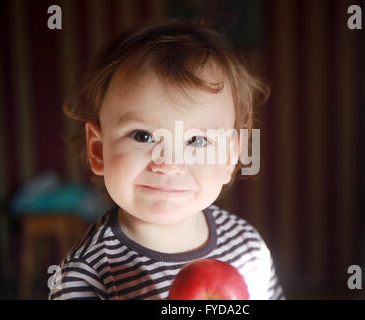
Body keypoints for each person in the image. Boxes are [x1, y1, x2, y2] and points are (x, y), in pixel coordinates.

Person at [49, 19, 284, 300]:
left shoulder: (247, 246)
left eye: (197, 140)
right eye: (143, 136)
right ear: (99, 151)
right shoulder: (89, 270)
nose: (169, 163)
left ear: (230, 158)